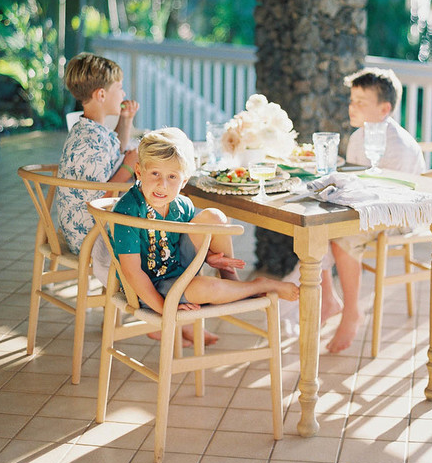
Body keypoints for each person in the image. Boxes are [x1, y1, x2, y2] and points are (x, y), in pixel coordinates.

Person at [281, 67, 426, 353]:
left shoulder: (398, 146)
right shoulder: (361, 136)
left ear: (384, 108)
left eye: (361, 102)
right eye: (351, 100)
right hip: (367, 206)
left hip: (398, 212)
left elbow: (394, 196)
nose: (352, 106)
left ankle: (351, 311)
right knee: (314, 227)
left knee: (342, 236)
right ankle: (329, 299)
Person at [111, 128, 299, 331]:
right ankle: (260, 285)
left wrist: (209, 256)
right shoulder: (128, 210)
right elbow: (132, 272)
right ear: (139, 172)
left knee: (214, 217)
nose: (162, 185)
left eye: (172, 177)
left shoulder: (181, 205)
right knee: (210, 287)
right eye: (155, 173)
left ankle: (231, 279)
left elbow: (184, 243)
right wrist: (165, 308)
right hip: (151, 289)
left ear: (183, 181)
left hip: (180, 272)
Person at [56, 53, 140, 288]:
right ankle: (160, 305)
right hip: (92, 237)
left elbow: (115, 153)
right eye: (119, 88)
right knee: (165, 237)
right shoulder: (91, 141)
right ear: (101, 94)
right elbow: (102, 199)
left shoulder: (89, 130)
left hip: (83, 231)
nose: (123, 94)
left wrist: (125, 119)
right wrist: (128, 165)